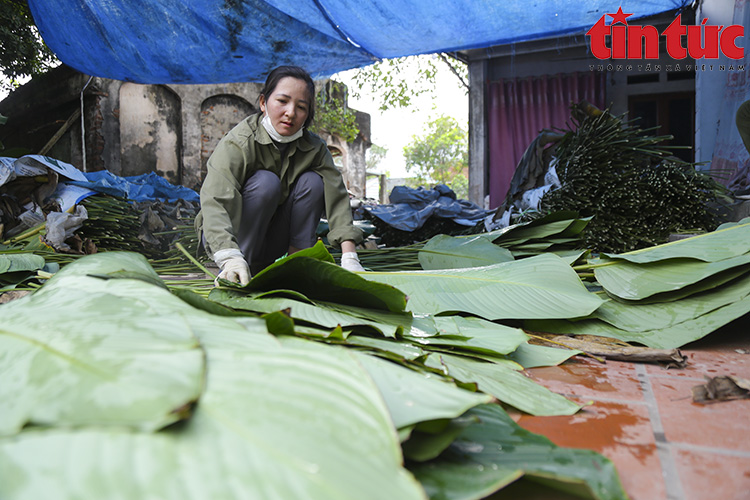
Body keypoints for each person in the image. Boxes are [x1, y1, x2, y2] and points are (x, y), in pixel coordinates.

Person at [195, 65, 365, 285]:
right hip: (230, 242)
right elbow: (215, 201)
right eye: (282, 101)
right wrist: (229, 257)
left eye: (301, 106)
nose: (291, 113)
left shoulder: (314, 148)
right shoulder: (239, 142)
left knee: (313, 182)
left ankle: (294, 266)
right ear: (263, 103)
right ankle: (237, 270)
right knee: (266, 182)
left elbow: (338, 197)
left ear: (308, 114)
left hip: (272, 242)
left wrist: (349, 256)